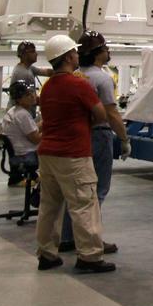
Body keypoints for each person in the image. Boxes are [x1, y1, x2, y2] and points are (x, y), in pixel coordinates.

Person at [34, 34, 116, 274]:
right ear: (69, 56)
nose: (78, 56)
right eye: (75, 53)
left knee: (49, 206)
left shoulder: (48, 88)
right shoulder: (78, 85)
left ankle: (47, 254)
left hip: (48, 154)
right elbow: (101, 114)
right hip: (73, 155)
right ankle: (89, 256)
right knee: (84, 204)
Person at [59, 32, 130, 253]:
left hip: (79, 135)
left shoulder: (78, 76)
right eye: (106, 48)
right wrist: (124, 139)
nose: (109, 52)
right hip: (99, 136)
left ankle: (68, 237)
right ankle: (91, 239)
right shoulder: (103, 79)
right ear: (99, 53)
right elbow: (111, 113)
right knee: (98, 190)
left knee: (78, 189)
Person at [0, 81, 42, 175]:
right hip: (27, 154)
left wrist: (46, 123)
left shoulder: (14, 111)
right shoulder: (22, 115)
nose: (32, 96)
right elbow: (36, 139)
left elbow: (33, 129)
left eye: (32, 92)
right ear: (19, 99)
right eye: (27, 95)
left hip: (18, 150)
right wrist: (52, 128)